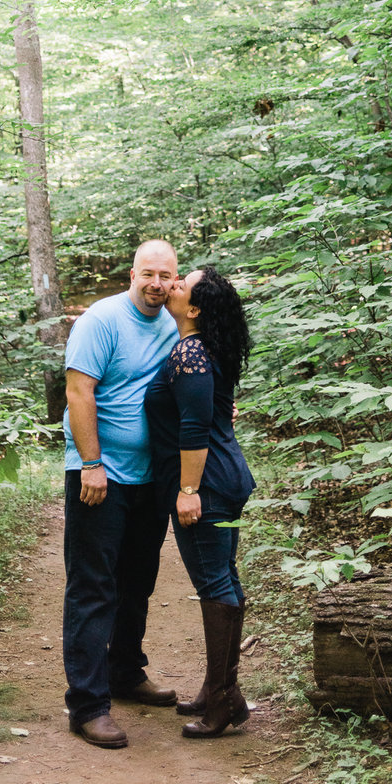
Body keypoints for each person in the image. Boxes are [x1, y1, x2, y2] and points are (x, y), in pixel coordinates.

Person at [62, 238, 180, 750]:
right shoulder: (101, 320)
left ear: (175, 281)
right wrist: (91, 463)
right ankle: (87, 705)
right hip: (99, 476)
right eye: (148, 274)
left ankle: (126, 672)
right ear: (132, 273)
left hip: (150, 478)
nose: (156, 284)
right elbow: (77, 391)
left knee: (138, 581)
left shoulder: (175, 322)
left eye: (166, 276)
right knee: (93, 588)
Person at [144, 265, 256, 739]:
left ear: (193, 308)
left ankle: (224, 701)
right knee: (223, 579)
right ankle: (219, 689)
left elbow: (193, 430)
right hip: (222, 477)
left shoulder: (190, 352)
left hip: (206, 484)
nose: (171, 286)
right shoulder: (198, 348)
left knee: (214, 585)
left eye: (181, 284)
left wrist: (187, 492)